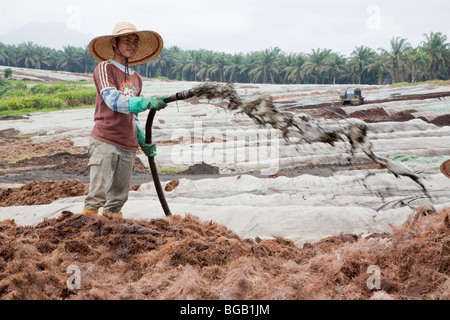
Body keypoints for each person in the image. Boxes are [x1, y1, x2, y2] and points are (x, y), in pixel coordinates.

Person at [82, 22, 168, 219]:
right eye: (127, 40)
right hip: (106, 139)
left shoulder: (137, 78)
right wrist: (145, 101)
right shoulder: (105, 68)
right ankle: (86, 236)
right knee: (97, 194)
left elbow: (134, 116)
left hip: (128, 146)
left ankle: (110, 236)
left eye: (135, 41)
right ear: (114, 42)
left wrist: (141, 139)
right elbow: (113, 100)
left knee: (119, 198)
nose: (132, 45)